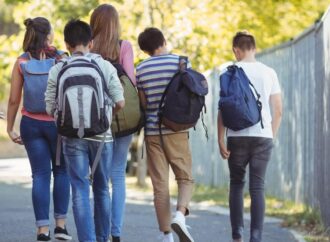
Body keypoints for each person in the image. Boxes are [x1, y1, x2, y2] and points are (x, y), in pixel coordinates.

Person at [45, 19, 124, 242]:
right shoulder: (104, 66)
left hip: (71, 138)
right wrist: (105, 117)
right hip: (102, 137)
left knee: (79, 190)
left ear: (66, 44)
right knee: (101, 189)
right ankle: (102, 238)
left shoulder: (58, 69)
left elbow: (50, 107)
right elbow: (120, 102)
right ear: (91, 42)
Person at [6, 17, 71, 242]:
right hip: (58, 125)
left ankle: (42, 230)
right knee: (61, 172)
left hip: (30, 125)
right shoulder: (62, 58)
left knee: (40, 176)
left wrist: (10, 128)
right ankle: (61, 227)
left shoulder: (21, 61)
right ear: (49, 35)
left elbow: (14, 100)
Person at [217, 31, 283, 242]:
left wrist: (220, 138)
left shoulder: (229, 72)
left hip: (236, 137)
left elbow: (223, 108)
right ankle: (256, 238)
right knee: (258, 187)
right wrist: (270, 136)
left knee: (236, 184)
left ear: (236, 49)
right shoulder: (269, 72)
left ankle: (237, 236)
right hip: (263, 136)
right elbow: (278, 110)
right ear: (254, 48)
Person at [136, 27, 195, 242]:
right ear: (163, 41)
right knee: (185, 177)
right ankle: (180, 215)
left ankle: (166, 235)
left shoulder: (141, 69)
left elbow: (143, 103)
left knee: (160, 185)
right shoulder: (181, 63)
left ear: (145, 50)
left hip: (153, 132)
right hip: (177, 130)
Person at [90, 5, 136, 242]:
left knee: (100, 177)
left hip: (95, 119)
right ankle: (115, 233)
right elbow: (131, 83)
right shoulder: (124, 46)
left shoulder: (89, 48)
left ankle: (101, 232)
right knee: (118, 173)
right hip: (123, 119)